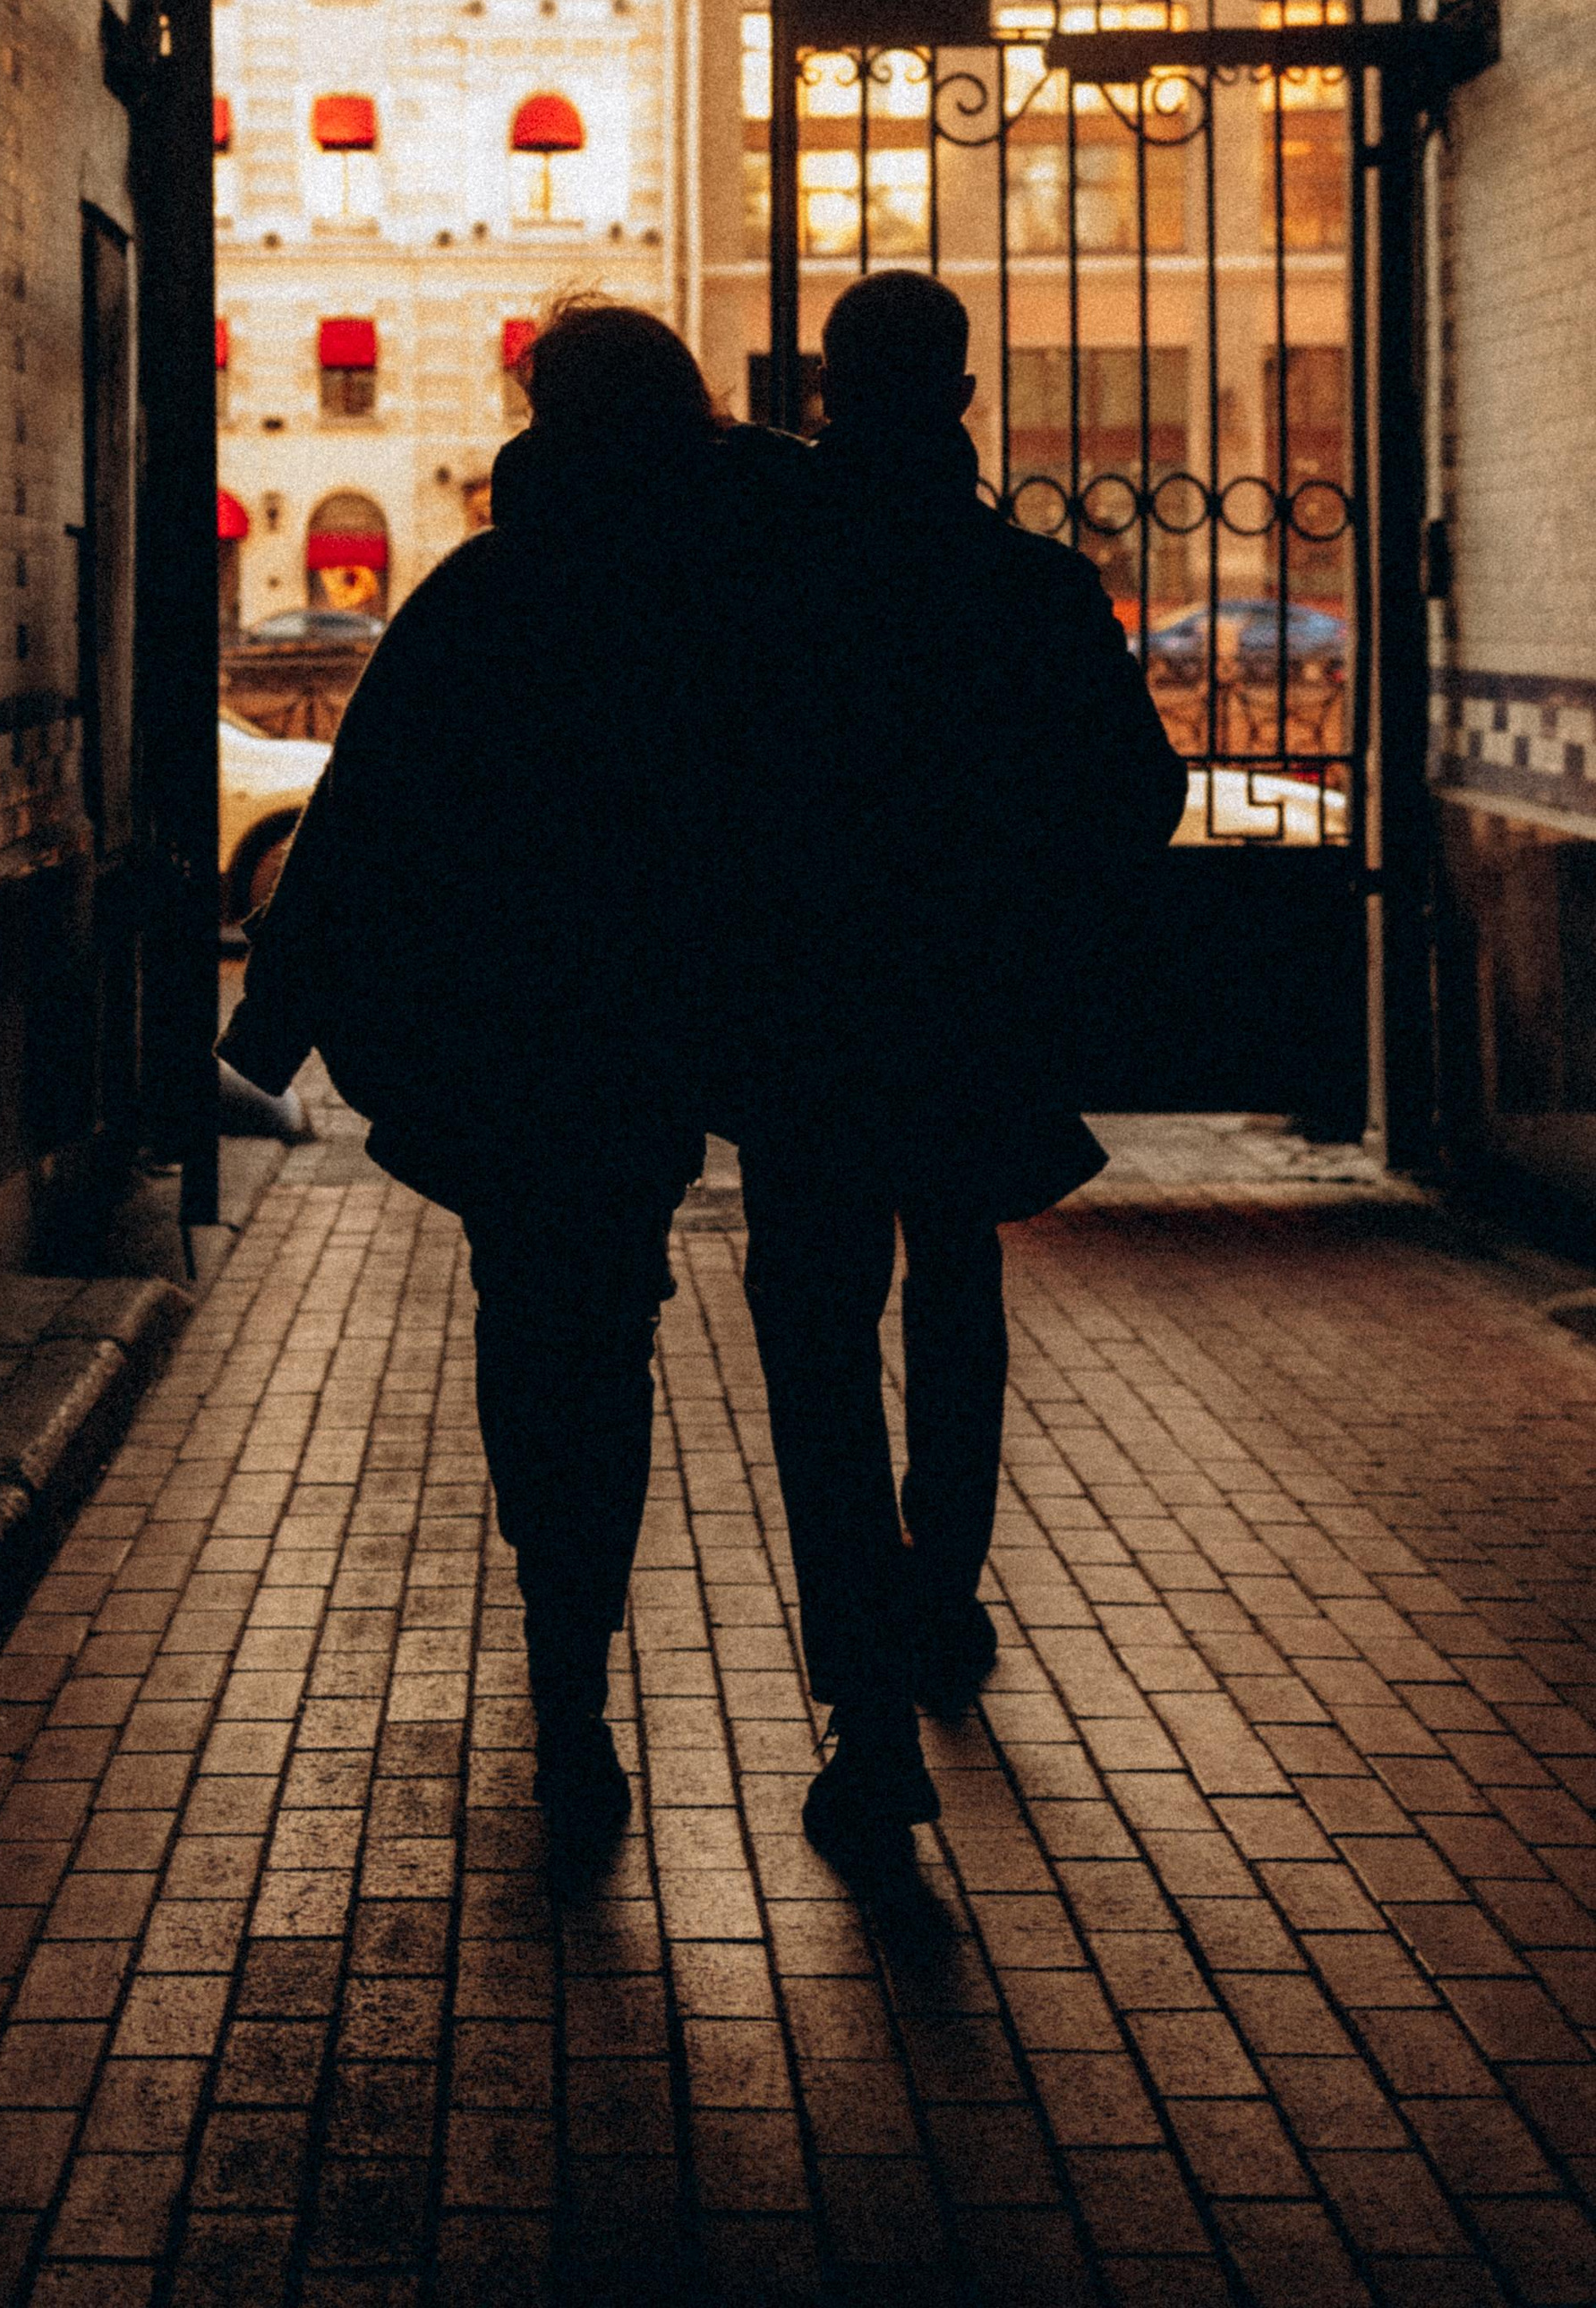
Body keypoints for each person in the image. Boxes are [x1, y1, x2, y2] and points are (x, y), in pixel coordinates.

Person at [219, 302, 803, 1885]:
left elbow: (360, 818)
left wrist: (268, 1033)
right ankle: (579, 1646)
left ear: (542, 424)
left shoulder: (486, 589)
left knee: (529, 1314)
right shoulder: (728, 588)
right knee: (609, 1331)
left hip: (499, 1037)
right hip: (654, 1037)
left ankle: (559, 1650)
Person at [721, 271, 1187, 1865]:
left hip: (802, 1024)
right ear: (969, 400)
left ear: (829, 391)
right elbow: (1140, 795)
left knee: (815, 1341)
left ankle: (861, 1707)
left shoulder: (765, 580)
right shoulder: (1036, 590)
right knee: (957, 1286)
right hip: (970, 1012)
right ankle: (944, 1586)